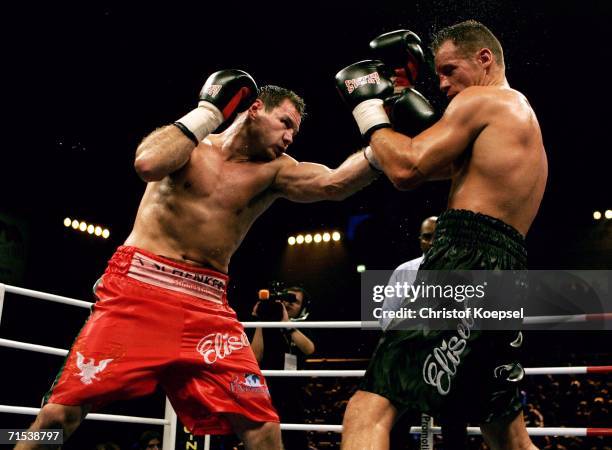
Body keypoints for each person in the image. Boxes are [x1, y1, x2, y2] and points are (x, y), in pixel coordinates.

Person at [16, 71, 379, 450]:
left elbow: (335, 182)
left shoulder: (276, 171)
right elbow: (148, 163)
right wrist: (208, 111)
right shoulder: (190, 145)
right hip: (138, 291)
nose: (289, 137)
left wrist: (377, 132)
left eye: (295, 132)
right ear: (254, 109)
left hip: (207, 309)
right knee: (58, 415)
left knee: (263, 427)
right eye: (285, 123)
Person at [336, 21, 547, 449]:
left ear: (484, 59)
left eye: (450, 70)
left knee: (369, 408)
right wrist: (397, 102)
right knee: (505, 431)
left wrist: (368, 109)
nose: (444, 84)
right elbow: (432, 164)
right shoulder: (520, 118)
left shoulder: (482, 99)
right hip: (507, 273)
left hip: (464, 262)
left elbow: (406, 170)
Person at [250, 286, 315, 449]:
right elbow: (255, 356)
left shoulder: (304, 326)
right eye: (286, 299)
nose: (289, 303)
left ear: (302, 307)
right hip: (268, 390)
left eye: (295, 301)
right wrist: (262, 321)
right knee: (267, 438)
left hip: (294, 392)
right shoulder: (267, 325)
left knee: (296, 440)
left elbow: (309, 348)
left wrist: (286, 324)